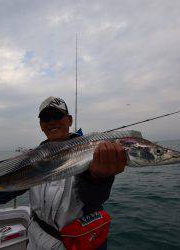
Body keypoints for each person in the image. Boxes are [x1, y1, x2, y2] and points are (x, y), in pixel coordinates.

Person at [27, 96, 127, 250]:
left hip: (72, 243)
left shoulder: (91, 153)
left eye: (58, 116)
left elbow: (94, 200)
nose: (52, 121)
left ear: (70, 120)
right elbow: (7, 189)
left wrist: (98, 179)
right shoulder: (33, 158)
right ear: (41, 125)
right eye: (46, 118)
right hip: (34, 237)